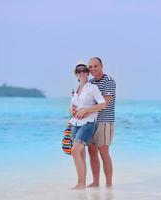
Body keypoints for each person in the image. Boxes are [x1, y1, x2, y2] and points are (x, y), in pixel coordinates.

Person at [74, 57, 116, 188]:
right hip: (91, 122)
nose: (93, 69)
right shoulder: (90, 83)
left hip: (104, 121)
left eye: (95, 66)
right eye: (90, 67)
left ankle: (109, 184)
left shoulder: (109, 81)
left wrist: (85, 110)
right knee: (92, 152)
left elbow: (104, 104)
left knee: (104, 152)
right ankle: (95, 182)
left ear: (102, 66)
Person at [69, 63, 106, 189]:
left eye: (84, 70)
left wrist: (86, 111)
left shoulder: (92, 88)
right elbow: (72, 106)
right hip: (75, 123)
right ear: (76, 74)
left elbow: (102, 104)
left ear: (87, 73)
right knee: (80, 154)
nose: (82, 72)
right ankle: (81, 183)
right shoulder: (75, 89)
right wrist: (72, 110)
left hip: (88, 123)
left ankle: (80, 183)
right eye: (79, 71)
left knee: (75, 151)